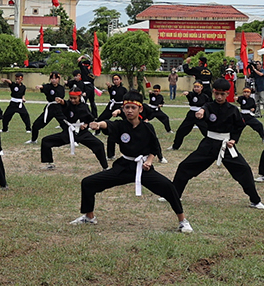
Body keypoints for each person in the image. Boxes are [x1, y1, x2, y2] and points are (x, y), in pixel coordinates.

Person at [73, 97, 192, 233]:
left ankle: (183, 221)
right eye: (127, 107)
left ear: (140, 109)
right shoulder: (120, 125)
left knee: (169, 187)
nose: (129, 111)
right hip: (123, 167)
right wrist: (99, 125)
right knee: (88, 183)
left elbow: (154, 148)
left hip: (142, 168)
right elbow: (108, 124)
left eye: (133, 108)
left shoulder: (147, 127)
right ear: (123, 109)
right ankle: (89, 217)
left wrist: (149, 161)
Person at [171, 78, 264, 209]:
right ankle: (174, 194)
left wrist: (233, 139)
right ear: (213, 92)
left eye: (222, 94)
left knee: (244, 170)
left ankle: (255, 200)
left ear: (227, 94)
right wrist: (201, 112)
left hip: (226, 145)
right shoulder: (209, 106)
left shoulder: (233, 110)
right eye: (217, 94)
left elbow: (239, 126)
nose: (219, 97)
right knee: (184, 166)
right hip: (208, 144)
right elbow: (204, 110)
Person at [39, 87, 108, 170]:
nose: (72, 100)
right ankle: (49, 163)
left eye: (75, 98)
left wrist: (85, 125)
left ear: (79, 97)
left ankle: (105, 167)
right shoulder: (68, 105)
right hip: (69, 132)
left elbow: (90, 119)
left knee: (99, 145)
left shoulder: (84, 107)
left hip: (82, 133)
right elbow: (65, 104)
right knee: (46, 141)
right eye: (71, 98)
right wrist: (61, 101)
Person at [171, 81, 208, 151]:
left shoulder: (205, 96)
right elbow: (189, 94)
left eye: (198, 87)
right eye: (195, 87)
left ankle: (210, 147)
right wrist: (187, 93)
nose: (196, 88)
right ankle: (175, 146)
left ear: (202, 87)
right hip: (191, 115)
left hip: (200, 115)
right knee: (180, 131)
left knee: (207, 132)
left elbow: (208, 105)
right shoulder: (192, 94)